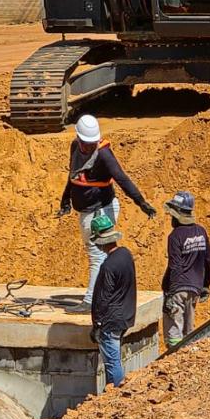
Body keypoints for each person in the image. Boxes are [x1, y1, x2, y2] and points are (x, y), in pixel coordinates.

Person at [58, 114, 155, 311]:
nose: (89, 147)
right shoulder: (75, 147)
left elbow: (122, 179)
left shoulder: (104, 154)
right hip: (85, 211)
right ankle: (103, 293)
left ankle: (91, 301)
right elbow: (73, 175)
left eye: (92, 143)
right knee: (97, 254)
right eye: (86, 143)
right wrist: (65, 199)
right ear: (78, 138)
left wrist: (141, 202)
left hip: (102, 209)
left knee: (97, 253)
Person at [88, 212, 137, 387]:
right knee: (115, 358)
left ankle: (116, 394)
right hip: (125, 316)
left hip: (111, 321)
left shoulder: (108, 266)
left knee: (112, 362)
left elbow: (103, 298)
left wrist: (97, 325)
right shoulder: (126, 254)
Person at [161, 190, 210, 348]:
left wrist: (170, 294)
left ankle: (174, 358)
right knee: (188, 333)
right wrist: (205, 285)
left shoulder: (175, 236)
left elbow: (175, 266)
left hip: (178, 289)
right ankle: (186, 358)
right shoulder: (201, 231)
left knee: (174, 335)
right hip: (195, 288)